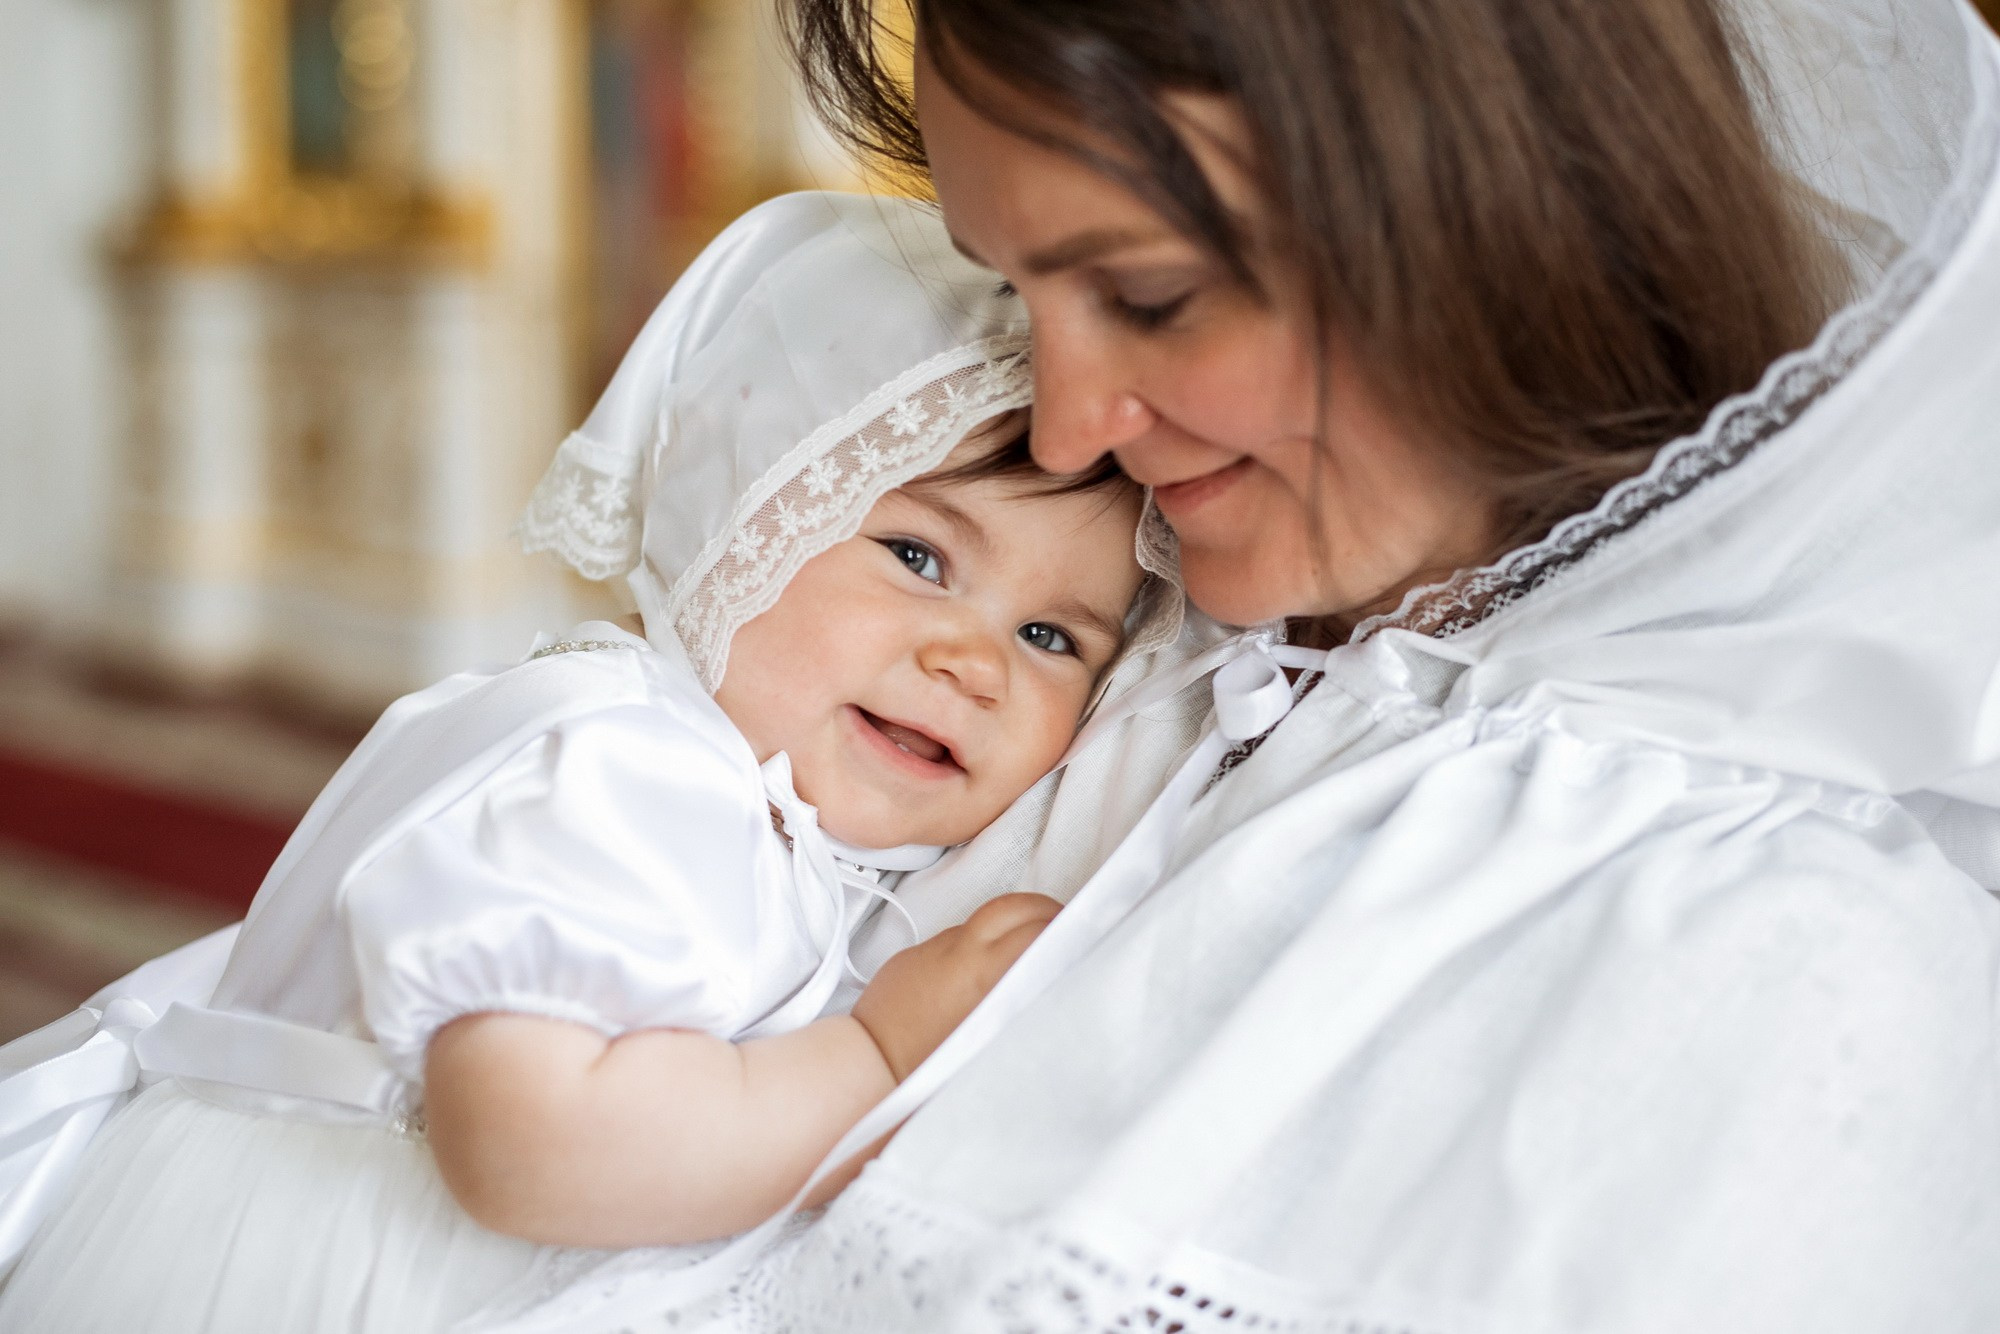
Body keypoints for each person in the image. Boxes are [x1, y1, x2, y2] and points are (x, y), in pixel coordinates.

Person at [550, 0, 1992, 1330]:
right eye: (1017, 289)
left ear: (1508, 218)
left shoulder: (1784, 969)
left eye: (1153, 295)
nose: (1065, 430)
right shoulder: (1154, 660)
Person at [0, 192, 1189, 1331]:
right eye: (921, 556)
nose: (972, 661)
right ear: (740, 511)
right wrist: (873, 1055)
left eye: (1049, 637)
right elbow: (526, 1149)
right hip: (337, 1271)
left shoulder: (714, 777)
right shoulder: (624, 771)